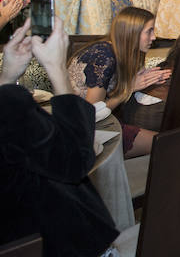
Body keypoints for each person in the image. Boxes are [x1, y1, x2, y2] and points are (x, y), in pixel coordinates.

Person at [0, 16, 120, 257]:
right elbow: (75, 160)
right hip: (51, 241)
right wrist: (57, 70)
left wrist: (7, 78)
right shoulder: (11, 105)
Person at [67, 7, 170, 157]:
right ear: (132, 33)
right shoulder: (104, 55)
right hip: (80, 131)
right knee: (165, 144)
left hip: (101, 123)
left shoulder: (124, 53)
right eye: (149, 31)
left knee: (166, 140)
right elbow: (92, 114)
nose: (154, 37)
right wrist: (129, 89)